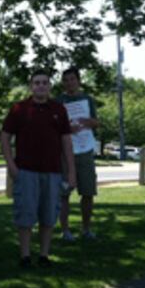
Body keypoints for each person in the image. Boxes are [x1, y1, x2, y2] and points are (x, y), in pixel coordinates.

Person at [0, 69, 76, 268]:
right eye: (37, 82)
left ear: (50, 86)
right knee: (25, 215)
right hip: (26, 171)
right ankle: (25, 256)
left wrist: (71, 171)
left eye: (44, 82)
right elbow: (5, 137)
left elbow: (67, 141)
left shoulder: (59, 109)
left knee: (49, 215)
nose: (41, 86)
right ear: (31, 86)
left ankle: (44, 255)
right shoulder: (19, 109)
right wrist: (11, 165)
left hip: (53, 171)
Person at [56, 67, 99, 240]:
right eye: (66, 80)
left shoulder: (87, 99)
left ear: (79, 80)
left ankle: (86, 229)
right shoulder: (58, 101)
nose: (69, 83)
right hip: (65, 152)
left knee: (88, 192)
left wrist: (89, 121)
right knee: (64, 193)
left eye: (72, 79)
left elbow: (97, 122)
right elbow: (53, 127)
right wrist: (67, 128)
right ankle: (65, 231)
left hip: (86, 150)